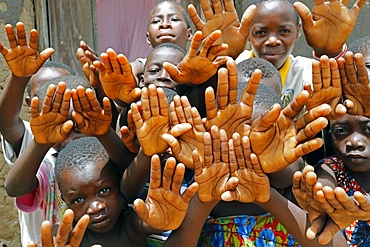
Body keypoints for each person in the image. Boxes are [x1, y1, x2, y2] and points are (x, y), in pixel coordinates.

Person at [182, 0, 365, 109]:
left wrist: (330, 52)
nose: (272, 41)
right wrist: (223, 58)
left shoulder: (308, 71)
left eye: (284, 32)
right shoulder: (233, 66)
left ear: (298, 31)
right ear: (248, 34)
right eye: (261, 33)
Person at [0, 22, 74, 247]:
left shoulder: (86, 136)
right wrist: (19, 78)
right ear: (28, 103)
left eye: (61, 89)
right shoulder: (31, 136)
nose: (53, 97)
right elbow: (6, 122)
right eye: (43, 93)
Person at [53, 136, 198, 246]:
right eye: (78, 200)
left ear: (119, 184)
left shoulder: (128, 225)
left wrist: (163, 221)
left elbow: (148, 223)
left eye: (104, 191)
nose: (95, 207)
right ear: (64, 201)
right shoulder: (66, 238)